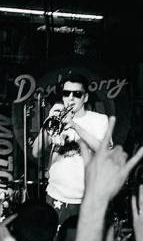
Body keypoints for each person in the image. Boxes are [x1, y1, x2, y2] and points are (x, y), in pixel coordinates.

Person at [30, 74, 111, 226]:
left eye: (77, 94)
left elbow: (104, 150)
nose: (71, 98)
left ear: (85, 97)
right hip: (55, 197)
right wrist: (48, 122)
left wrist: (74, 126)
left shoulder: (99, 120)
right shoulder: (56, 119)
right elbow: (36, 152)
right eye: (66, 93)